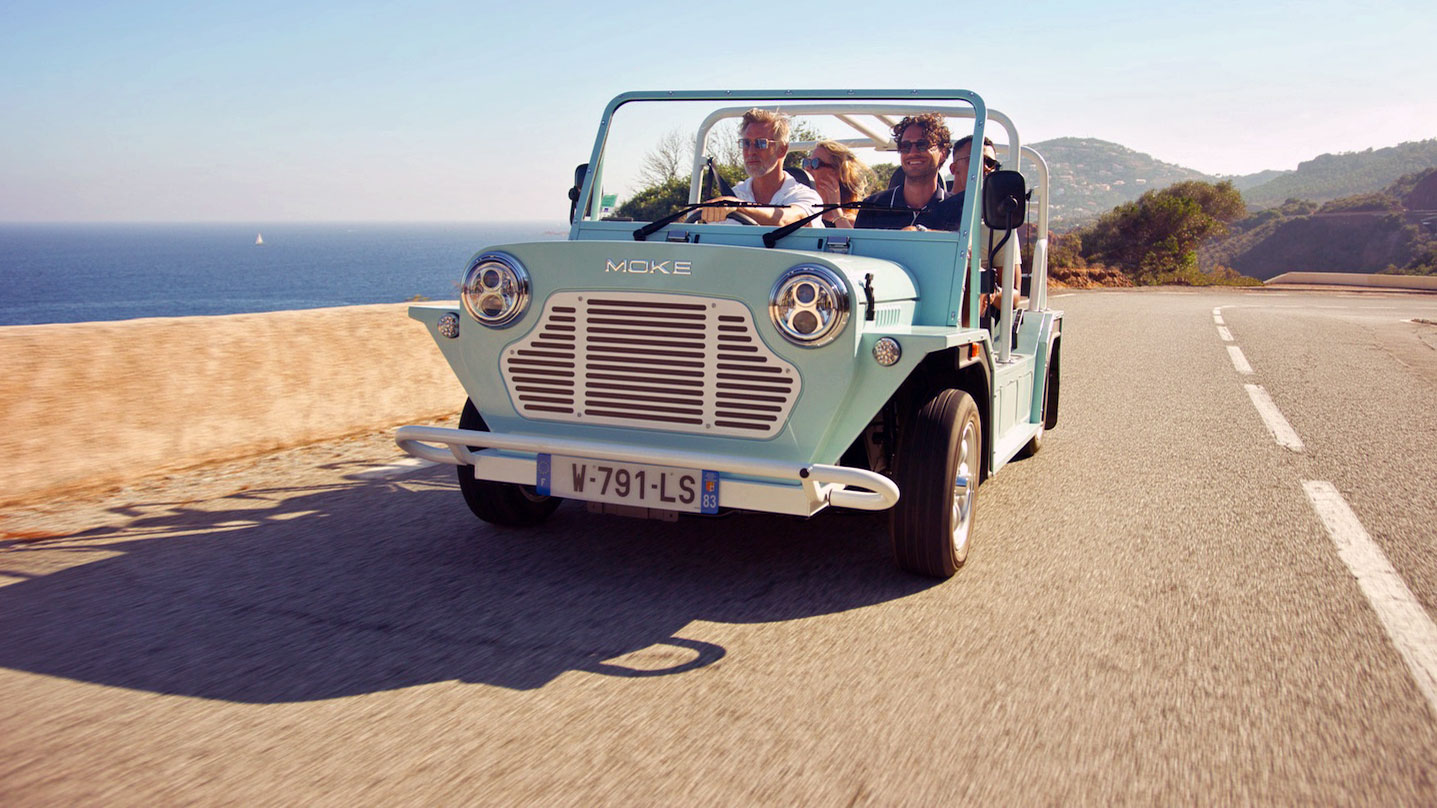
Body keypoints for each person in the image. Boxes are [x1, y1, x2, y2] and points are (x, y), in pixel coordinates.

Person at [700, 108, 824, 226]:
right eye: (746, 143)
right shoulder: (735, 196)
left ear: (782, 149)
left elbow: (786, 220)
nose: (751, 151)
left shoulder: (805, 197)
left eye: (761, 143)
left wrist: (738, 207)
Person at [854, 113, 959, 230]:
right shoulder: (872, 207)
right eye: (905, 146)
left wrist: (922, 233)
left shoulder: (959, 209)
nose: (913, 152)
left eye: (922, 145)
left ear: (943, 154)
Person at [803, 140, 874, 229]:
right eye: (806, 162)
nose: (807, 168)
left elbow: (851, 240)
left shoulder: (850, 221)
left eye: (815, 163)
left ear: (837, 172)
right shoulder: (801, 210)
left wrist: (835, 209)